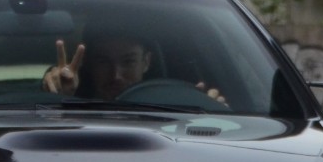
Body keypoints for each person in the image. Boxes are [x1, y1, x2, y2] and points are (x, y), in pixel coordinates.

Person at [41, 30, 224, 103]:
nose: (116, 75)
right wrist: (60, 99)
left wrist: (210, 113)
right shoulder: (72, 120)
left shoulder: (177, 112)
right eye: (103, 62)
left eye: (128, 62)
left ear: (146, 62)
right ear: (88, 65)